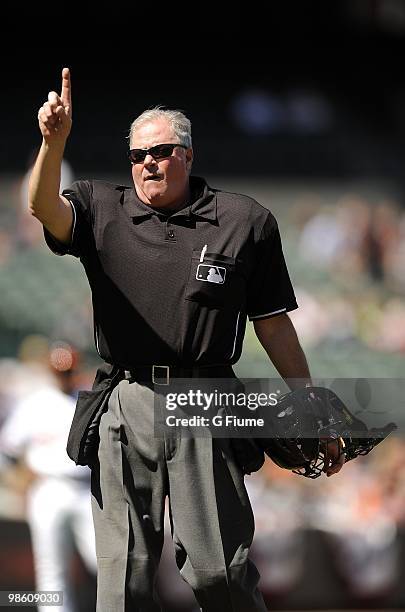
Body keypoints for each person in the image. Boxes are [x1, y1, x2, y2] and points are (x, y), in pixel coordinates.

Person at [28, 68, 345, 612]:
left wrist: (308, 402)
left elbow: (272, 322)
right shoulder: (102, 207)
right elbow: (44, 208)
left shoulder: (245, 222)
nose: (148, 162)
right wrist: (53, 143)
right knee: (122, 581)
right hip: (126, 400)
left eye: (162, 150)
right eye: (137, 155)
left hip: (205, 399)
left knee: (220, 572)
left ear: (189, 154)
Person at [0, 341, 97, 612]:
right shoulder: (35, 403)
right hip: (48, 488)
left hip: (84, 489)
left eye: (68, 370)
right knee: (51, 567)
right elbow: (9, 448)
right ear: (50, 370)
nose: (63, 375)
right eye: (59, 370)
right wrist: (20, 481)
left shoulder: (85, 399)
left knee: (101, 560)